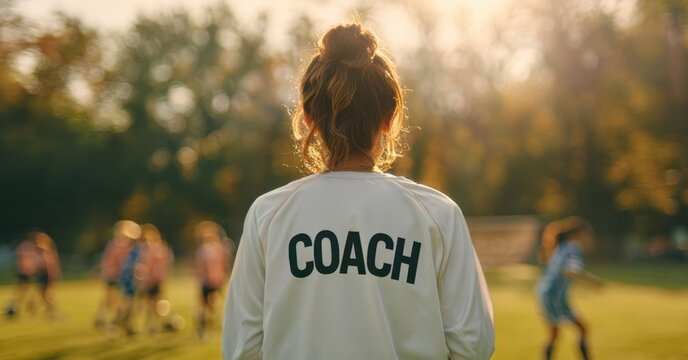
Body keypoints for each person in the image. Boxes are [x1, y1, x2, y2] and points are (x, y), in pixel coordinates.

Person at [222, 23, 495, 359]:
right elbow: (472, 345)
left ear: (309, 119)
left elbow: (243, 348)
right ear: (389, 116)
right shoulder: (437, 213)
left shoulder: (269, 213)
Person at [536, 217, 604, 360]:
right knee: (581, 328)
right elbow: (571, 271)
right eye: (588, 234)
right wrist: (594, 282)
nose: (589, 238)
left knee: (555, 333)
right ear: (577, 235)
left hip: (547, 293)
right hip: (554, 296)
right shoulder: (573, 248)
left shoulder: (562, 247)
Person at [95, 220, 141, 329]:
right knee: (112, 298)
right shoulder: (117, 245)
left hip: (120, 276)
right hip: (114, 275)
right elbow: (113, 261)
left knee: (117, 299)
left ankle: (110, 318)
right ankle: (107, 318)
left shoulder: (126, 246)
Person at [194, 221, 232, 339]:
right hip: (210, 280)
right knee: (207, 305)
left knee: (209, 304)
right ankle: (206, 327)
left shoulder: (218, 248)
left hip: (214, 279)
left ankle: (210, 325)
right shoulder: (211, 248)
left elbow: (224, 264)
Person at [136, 223, 173, 334]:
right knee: (148, 303)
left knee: (156, 301)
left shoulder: (160, 248)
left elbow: (165, 263)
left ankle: (155, 324)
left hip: (156, 280)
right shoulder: (143, 249)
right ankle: (151, 324)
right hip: (148, 280)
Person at [5, 234, 42, 318]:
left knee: (22, 290)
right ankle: (27, 305)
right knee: (25, 290)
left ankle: (18, 306)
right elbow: (22, 258)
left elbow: (18, 257)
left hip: (25, 271)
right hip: (28, 272)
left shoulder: (26, 247)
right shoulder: (29, 247)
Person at [34, 231, 62, 319]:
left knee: (45, 295)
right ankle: (50, 311)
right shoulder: (40, 251)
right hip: (43, 274)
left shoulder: (45, 251)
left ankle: (53, 312)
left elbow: (50, 265)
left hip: (46, 275)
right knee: (43, 295)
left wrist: (52, 275)